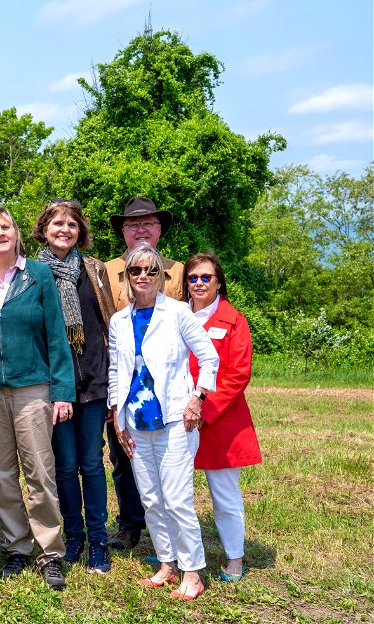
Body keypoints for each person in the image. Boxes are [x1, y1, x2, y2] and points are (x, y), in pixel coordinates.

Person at [0, 206, 74, 590]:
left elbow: (56, 335)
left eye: (6, 227)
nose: (0, 234)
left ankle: (49, 551)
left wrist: (62, 391)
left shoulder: (38, 275)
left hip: (33, 387)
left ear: (16, 233)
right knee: (2, 473)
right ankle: (16, 547)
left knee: (40, 472)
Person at [108, 243, 218, 601]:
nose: (143, 277)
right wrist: (116, 415)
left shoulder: (178, 313)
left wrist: (197, 400)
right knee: (152, 499)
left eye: (151, 271)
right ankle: (168, 564)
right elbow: (116, 371)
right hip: (136, 422)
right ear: (127, 276)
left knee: (177, 499)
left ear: (161, 276)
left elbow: (209, 356)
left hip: (175, 420)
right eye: (136, 271)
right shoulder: (119, 320)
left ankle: (193, 571)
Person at [32, 199, 115, 574]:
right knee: (64, 466)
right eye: (56, 224)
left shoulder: (94, 270)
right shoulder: (32, 272)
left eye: (71, 224)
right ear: (44, 229)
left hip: (94, 381)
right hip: (55, 386)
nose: (64, 229)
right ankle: (74, 535)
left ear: (80, 230)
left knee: (92, 463)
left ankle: (98, 540)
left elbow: (109, 322)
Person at [103, 196, 186, 551]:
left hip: (167, 386)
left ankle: (170, 529)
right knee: (124, 457)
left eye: (148, 224)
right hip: (124, 382)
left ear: (159, 230)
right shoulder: (104, 271)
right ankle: (130, 524)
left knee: (171, 461)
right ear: (123, 232)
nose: (141, 230)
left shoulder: (180, 271)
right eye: (133, 224)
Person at [184, 252, 261, 583]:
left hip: (220, 420)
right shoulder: (174, 315)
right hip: (178, 419)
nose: (199, 283)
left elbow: (238, 373)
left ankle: (234, 558)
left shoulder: (234, 320)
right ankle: (173, 553)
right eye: (193, 277)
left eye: (206, 277)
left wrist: (205, 409)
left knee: (224, 495)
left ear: (218, 283)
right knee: (174, 491)